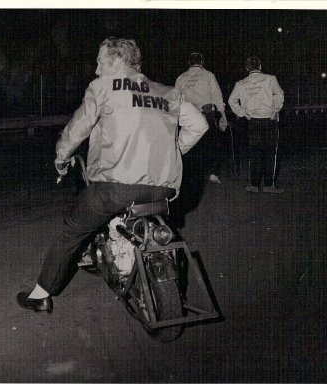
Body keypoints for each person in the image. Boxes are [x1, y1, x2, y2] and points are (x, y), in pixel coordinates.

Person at [17, 37, 209, 313]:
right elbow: (199, 125)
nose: (96, 70)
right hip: (164, 189)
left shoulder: (102, 88)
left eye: (99, 61)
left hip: (115, 188)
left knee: (71, 231)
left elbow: (76, 131)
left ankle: (41, 295)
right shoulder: (168, 92)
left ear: (117, 60)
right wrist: (173, 151)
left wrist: (61, 160)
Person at [228, 56, 285, 194]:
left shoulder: (240, 83)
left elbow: (231, 101)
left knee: (254, 152)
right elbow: (280, 94)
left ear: (247, 68)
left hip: (252, 120)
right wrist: (275, 110)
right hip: (270, 119)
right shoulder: (271, 79)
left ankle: (253, 185)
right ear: (260, 66)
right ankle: (268, 185)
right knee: (271, 152)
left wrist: (243, 113)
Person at [175, 52, 228, 185]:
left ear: (189, 63)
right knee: (212, 145)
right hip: (207, 114)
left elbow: (175, 98)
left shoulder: (181, 78)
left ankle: (188, 174)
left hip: (187, 118)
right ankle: (213, 173)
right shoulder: (208, 75)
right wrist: (223, 115)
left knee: (190, 146)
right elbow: (217, 96)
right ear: (202, 62)